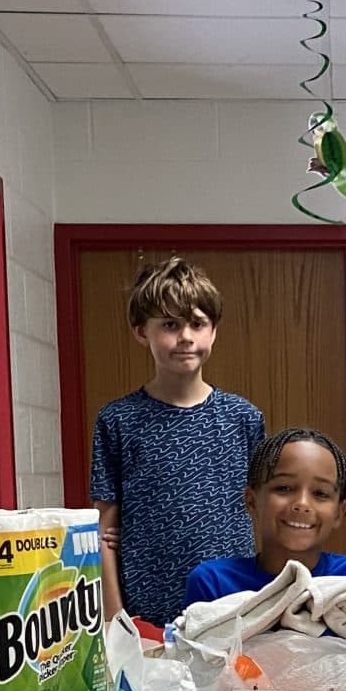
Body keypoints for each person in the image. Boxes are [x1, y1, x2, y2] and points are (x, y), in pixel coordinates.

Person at [90, 257, 265, 626]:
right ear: (142, 331)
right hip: (148, 612)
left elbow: (266, 516)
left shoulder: (244, 418)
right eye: (170, 324)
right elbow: (104, 530)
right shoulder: (117, 421)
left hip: (233, 607)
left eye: (197, 324)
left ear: (213, 331)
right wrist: (115, 618)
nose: (186, 336)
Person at [183, 428, 346, 608]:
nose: (302, 504)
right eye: (284, 488)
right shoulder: (214, 583)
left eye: (320, 493)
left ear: (339, 512)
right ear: (251, 501)